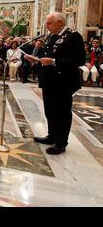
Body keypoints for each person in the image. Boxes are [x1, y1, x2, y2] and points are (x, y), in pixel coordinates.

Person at [25, 12, 85, 155]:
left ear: (60, 22)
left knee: (62, 112)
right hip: (49, 80)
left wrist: (53, 62)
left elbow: (79, 60)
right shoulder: (52, 36)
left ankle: (61, 142)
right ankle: (51, 136)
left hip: (63, 82)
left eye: (49, 23)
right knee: (50, 110)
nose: (46, 25)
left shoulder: (73, 36)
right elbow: (49, 55)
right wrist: (36, 59)